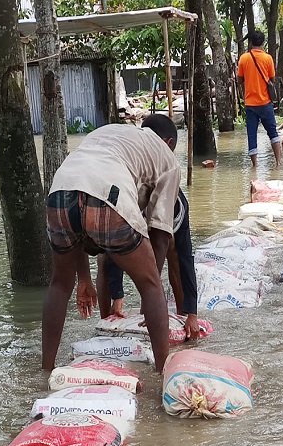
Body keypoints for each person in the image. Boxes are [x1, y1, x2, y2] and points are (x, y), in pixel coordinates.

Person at [42, 114, 182, 372]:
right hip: (108, 195)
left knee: (60, 284)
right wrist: (151, 288)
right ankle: (162, 372)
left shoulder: (108, 133)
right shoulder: (168, 159)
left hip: (59, 191)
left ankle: (45, 369)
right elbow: (161, 233)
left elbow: (80, 203)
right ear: (170, 142)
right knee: (151, 284)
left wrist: (83, 279)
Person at [97, 187, 199, 340]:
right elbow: (114, 247)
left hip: (158, 219)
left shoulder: (179, 207)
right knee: (104, 258)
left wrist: (192, 313)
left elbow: (186, 259)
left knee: (176, 253)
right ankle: (106, 321)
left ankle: (182, 317)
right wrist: (117, 295)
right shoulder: (127, 204)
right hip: (126, 212)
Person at [236, 30, 282, 167]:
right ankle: (278, 163)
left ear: (251, 42)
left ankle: (255, 166)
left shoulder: (244, 58)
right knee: (272, 132)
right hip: (266, 102)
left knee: (252, 134)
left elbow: (239, 80)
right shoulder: (268, 58)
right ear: (263, 42)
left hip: (250, 104)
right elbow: (272, 79)